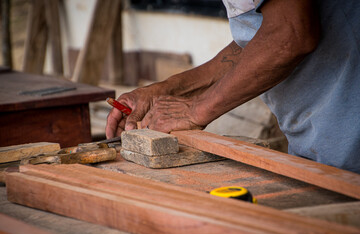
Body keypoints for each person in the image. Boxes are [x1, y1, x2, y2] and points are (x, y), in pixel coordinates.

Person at [106, 0, 360, 174]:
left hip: (349, 136)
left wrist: (195, 111)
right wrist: (168, 90)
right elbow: (256, 40)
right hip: (318, 142)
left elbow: (289, 34)